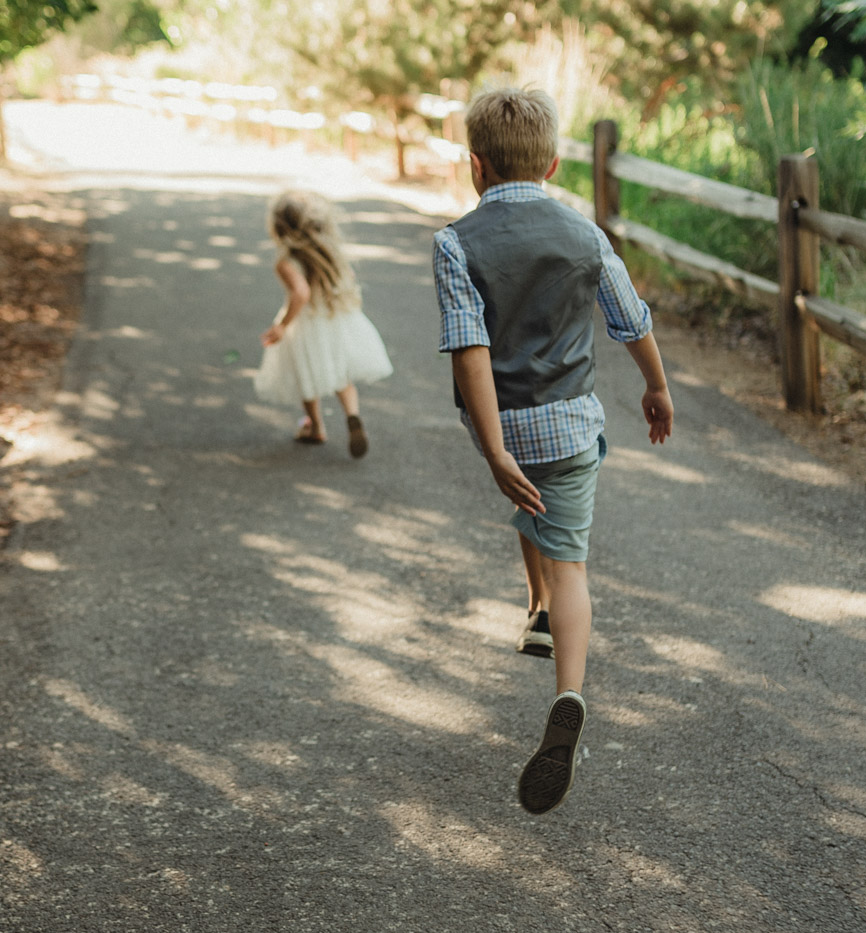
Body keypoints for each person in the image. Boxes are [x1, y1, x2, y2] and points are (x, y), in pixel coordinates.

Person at [433, 87, 674, 815]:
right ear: (555, 163)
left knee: (524, 495)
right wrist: (656, 386)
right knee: (570, 560)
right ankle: (567, 688)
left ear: (475, 165)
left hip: (504, 426)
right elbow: (628, 318)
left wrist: (496, 448)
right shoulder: (585, 233)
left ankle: (537, 612)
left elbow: (470, 351)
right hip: (571, 425)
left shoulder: (454, 243)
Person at [254, 189, 393, 458]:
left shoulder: (286, 262)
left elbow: (301, 293)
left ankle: (316, 426)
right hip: (334, 319)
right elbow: (347, 277)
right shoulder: (330, 252)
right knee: (341, 375)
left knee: (307, 376)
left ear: (279, 227)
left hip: (306, 326)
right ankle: (352, 416)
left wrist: (283, 324)